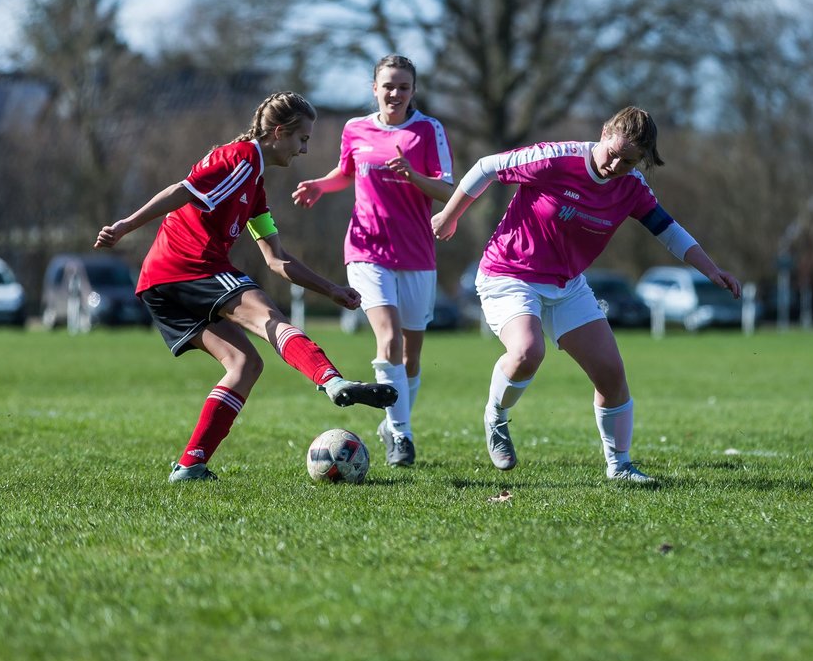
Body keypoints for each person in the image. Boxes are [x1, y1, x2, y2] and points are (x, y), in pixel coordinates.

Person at [95, 91, 398, 483]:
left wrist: (331, 290)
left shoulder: (254, 186)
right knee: (268, 317)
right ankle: (331, 380)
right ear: (278, 132)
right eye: (302, 139)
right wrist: (125, 225)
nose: (304, 149)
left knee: (244, 364)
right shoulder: (237, 159)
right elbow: (182, 190)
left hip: (159, 283)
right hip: (188, 267)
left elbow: (277, 259)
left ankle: (190, 466)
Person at [432, 106, 741, 485]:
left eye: (629, 162)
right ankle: (496, 417)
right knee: (528, 352)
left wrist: (712, 270)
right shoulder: (556, 159)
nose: (616, 166)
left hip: (567, 285)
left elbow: (668, 230)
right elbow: (485, 167)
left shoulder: (631, 189)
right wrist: (450, 214)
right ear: (605, 131)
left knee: (611, 375)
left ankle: (620, 466)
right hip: (509, 274)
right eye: (613, 154)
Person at [291, 55, 454, 467]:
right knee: (389, 340)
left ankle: (393, 422)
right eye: (388, 85)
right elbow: (346, 173)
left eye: (403, 86)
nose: (395, 93)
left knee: (411, 355)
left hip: (416, 253)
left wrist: (412, 176)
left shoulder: (428, 131)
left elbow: (447, 191)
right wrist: (319, 186)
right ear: (374, 88)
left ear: (413, 90)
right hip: (366, 250)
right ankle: (401, 435)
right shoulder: (355, 128)